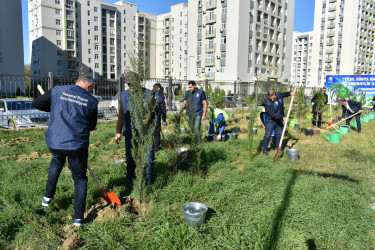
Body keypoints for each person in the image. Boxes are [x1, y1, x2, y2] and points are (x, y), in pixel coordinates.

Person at [32, 76, 98, 227]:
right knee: (80, 179)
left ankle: (47, 199)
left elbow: (36, 103)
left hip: (55, 142)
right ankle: (78, 219)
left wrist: (55, 107)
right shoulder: (92, 101)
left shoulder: (58, 91)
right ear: (88, 85)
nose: (91, 92)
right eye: (92, 89)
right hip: (77, 145)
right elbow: (92, 126)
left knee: (56, 163)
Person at [115, 73, 157, 186]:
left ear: (139, 82)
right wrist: (118, 131)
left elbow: (154, 111)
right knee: (130, 158)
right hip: (130, 131)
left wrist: (147, 118)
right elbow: (121, 114)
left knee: (148, 158)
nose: (131, 87)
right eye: (129, 85)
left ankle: (148, 182)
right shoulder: (124, 95)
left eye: (133, 84)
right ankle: (131, 181)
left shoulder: (149, 94)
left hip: (146, 132)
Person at [262, 89, 295, 155]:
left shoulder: (279, 95)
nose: (272, 100)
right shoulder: (267, 103)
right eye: (270, 98)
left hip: (279, 121)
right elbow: (273, 115)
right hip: (270, 121)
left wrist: (290, 93)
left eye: (273, 98)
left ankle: (278, 148)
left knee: (279, 135)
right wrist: (283, 118)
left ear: (276, 95)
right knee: (267, 135)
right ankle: (265, 150)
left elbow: (284, 94)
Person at [153, 83, 167, 151]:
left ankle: (149, 147)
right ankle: (156, 148)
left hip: (147, 119)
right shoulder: (160, 97)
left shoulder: (148, 95)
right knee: (156, 134)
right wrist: (164, 120)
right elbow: (163, 109)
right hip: (156, 119)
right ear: (159, 88)